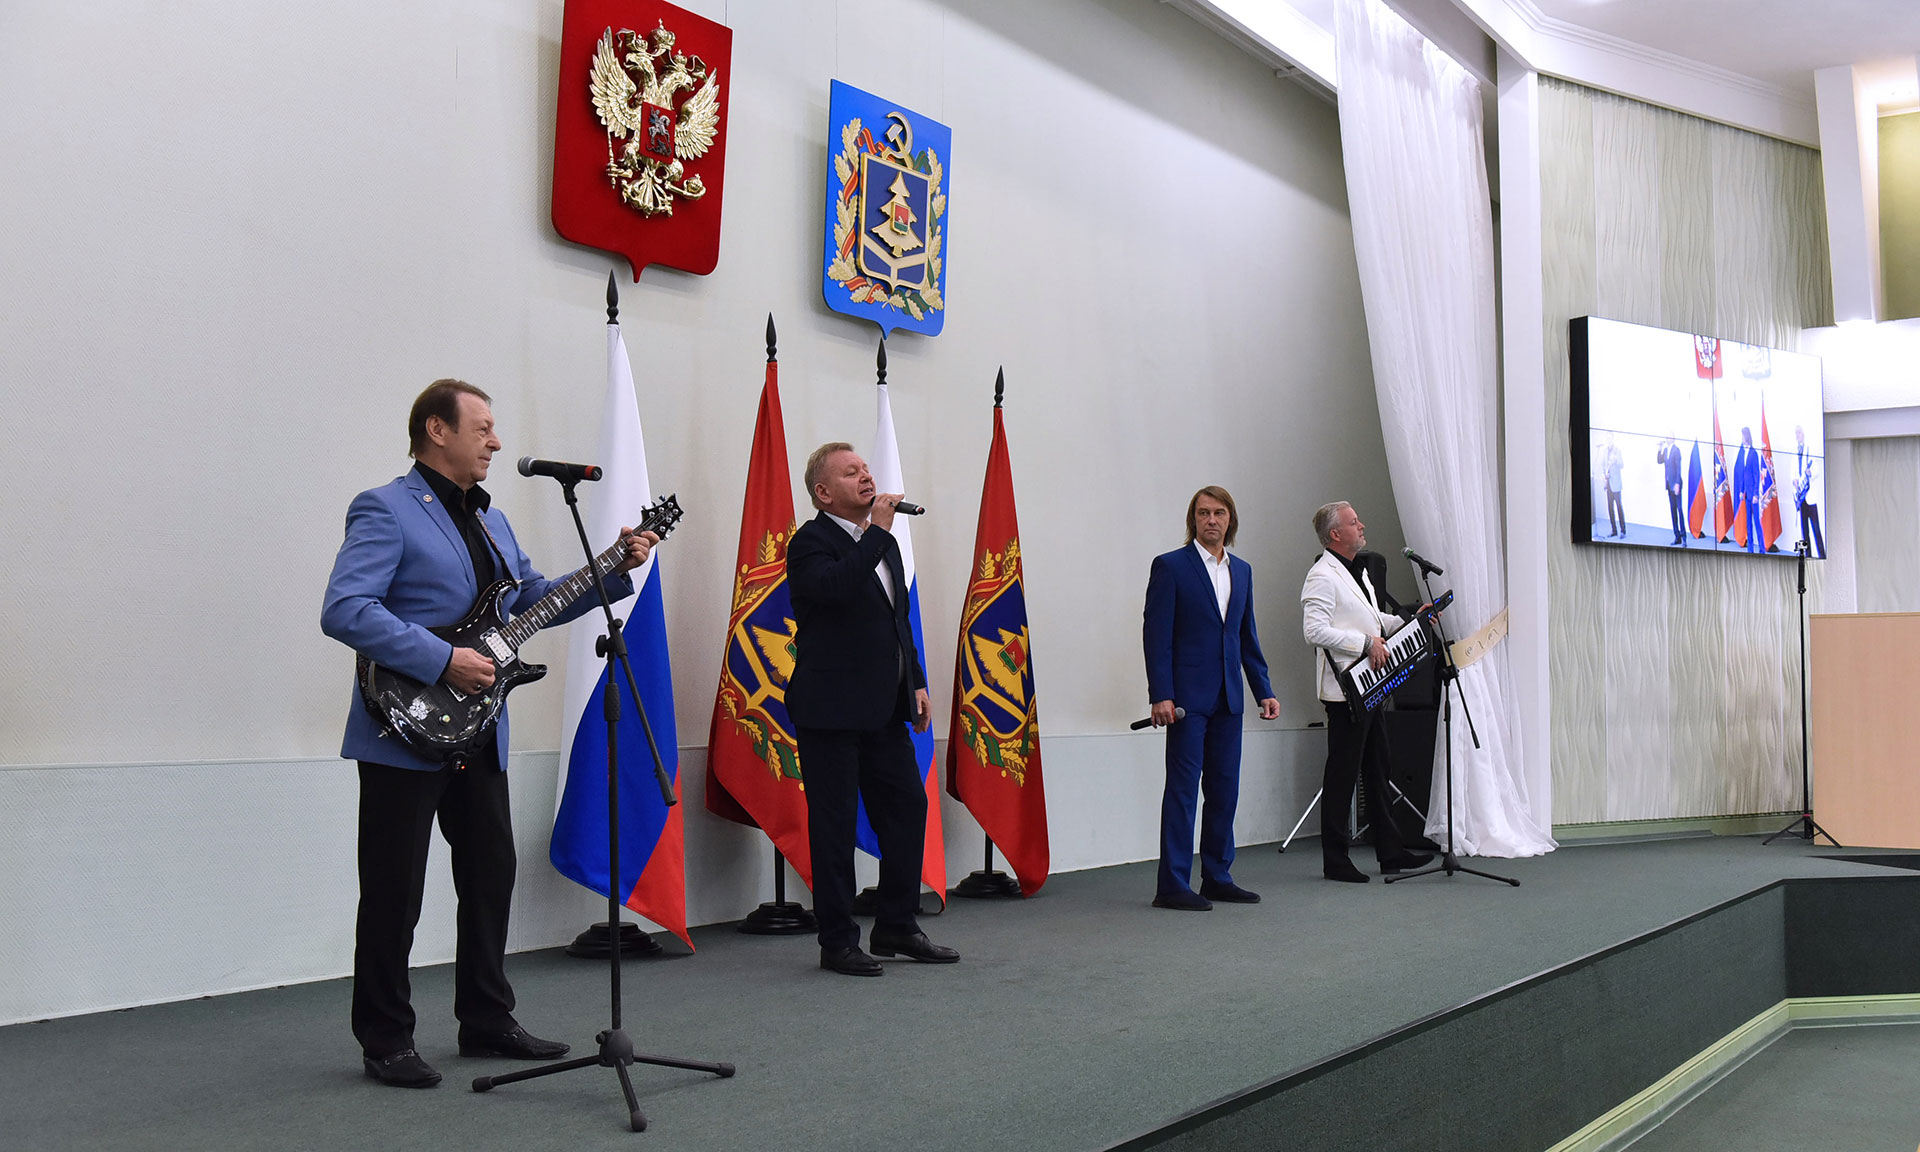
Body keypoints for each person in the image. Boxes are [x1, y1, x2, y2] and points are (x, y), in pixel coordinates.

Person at [321, 379, 656, 1088]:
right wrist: (442, 659)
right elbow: (346, 608)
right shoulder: (384, 508)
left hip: (479, 730)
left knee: (489, 878)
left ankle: (486, 1019)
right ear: (436, 430)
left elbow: (532, 600)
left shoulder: (495, 521)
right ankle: (385, 1037)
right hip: (402, 728)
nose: (496, 442)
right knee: (394, 891)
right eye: (483, 428)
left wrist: (613, 567)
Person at [786, 442, 958, 976]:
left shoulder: (884, 546)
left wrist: (917, 683)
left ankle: (897, 925)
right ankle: (838, 941)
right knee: (834, 828)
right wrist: (877, 533)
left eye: (865, 468)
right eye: (851, 472)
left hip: (885, 709)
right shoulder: (810, 543)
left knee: (907, 809)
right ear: (823, 492)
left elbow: (897, 620)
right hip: (830, 712)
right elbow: (835, 590)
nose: (867, 477)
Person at [1142, 486, 1280, 910]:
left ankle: (1218, 877)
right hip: (1185, 702)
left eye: (1219, 513)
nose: (1211, 520)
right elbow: (1156, 636)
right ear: (1193, 520)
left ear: (1230, 519)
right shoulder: (1171, 567)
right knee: (1183, 792)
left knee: (1224, 791)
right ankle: (1172, 886)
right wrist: (1161, 694)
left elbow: (1245, 636)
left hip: (1229, 699)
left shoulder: (1243, 571)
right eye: (1203, 513)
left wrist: (1264, 690)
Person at [1300, 502, 1434, 883]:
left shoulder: (1358, 571)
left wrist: (1410, 620)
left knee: (1378, 768)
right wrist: (1364, 644)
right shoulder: (1321, 576)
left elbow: (1374, 622)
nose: (1362, 525)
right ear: (1335, 535)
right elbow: (1314, 631)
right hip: (1346, 692)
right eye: (1353, 522)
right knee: (1343, 773)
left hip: (1370, 686)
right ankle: (1335, 859)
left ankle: (1390, 852)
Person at [1794, 425, 1825, 558]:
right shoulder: (1795, 452)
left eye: (1799, 433)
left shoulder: (1810, 449)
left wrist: (1810, 472)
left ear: (1803, 434)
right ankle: (1807, 556)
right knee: (1804, 532)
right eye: (1796, 433)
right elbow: (1793, 472)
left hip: (1810, 497)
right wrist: (1794, 481)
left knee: (1816, 530)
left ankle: (1822, 555)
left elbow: (1817, 470)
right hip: (1801, 498)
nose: (1798, 436)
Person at [1734, 427, 1761, 553]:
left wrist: (1756, 494)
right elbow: (1744, 474)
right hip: (1746, 495)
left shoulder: (1754, 453)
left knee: (1757, 523)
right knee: (1748, 523)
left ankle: (1762, 549)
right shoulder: (1743, 453)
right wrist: (1741, 490)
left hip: (1753, 496)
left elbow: (1756, 475)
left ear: (1746, 437)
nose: (1741, 438)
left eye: (1742, 436)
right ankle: (1750, 549)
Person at [1659, 436, 1686, 545]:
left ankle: (1684, 537)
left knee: (1679, 509)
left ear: (1673, 439)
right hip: (1669, 484)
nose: (1667, 439)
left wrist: (1677, 483)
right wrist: (1660, 448)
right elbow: (1659, 461)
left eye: (1669, 437)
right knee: (1673, 510)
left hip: (1676, 485)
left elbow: (1679, 468)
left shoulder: (1676, 450)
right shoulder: (1665, 450)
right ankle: (1677, 536)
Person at [1601, 436, 1625, 538]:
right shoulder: (1604, 451)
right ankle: (1614, 530)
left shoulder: (1617, 451)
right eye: (1607, 438)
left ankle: (1623, 531)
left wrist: (1616, 460)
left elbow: (1622, 465)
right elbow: (1602, 465)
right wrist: (1604, 474)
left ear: (1613, 439)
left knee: (1619, 507)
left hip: (1616, 484)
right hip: (1608, 484)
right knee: (1610, 508)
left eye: (1610, 438)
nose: (1609, 440)